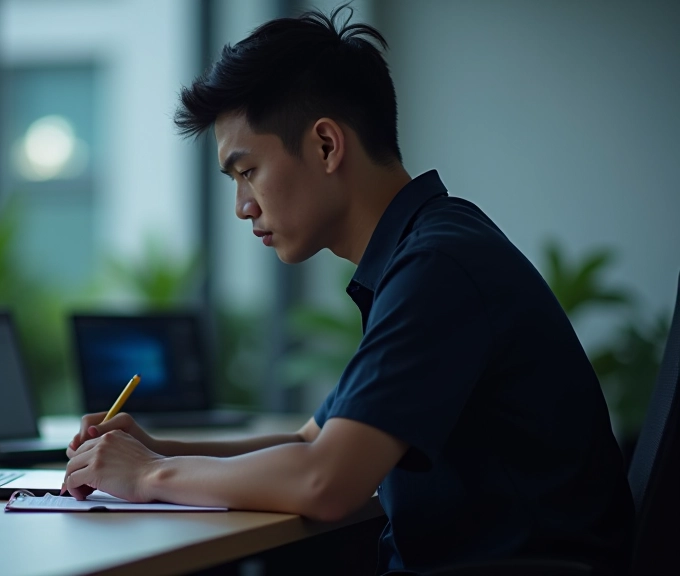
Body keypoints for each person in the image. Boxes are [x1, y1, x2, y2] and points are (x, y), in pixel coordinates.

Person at [62, 6, 633, 574]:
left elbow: (326, 481)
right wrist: (157, 449)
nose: (242, 206)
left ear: (327, 146)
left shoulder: (438, 266)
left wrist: (145, 476)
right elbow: (311, 444)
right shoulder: (427, 247)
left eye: (248, 171)